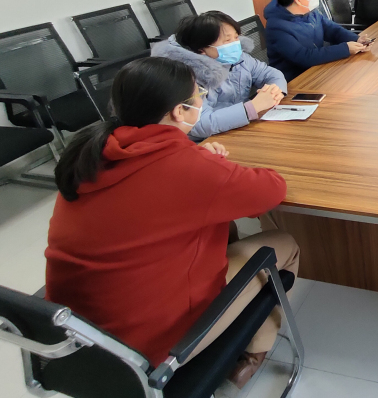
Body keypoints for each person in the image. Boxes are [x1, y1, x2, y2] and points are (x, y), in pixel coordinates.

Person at [44, 57, 300, 388]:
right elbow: (272, 189)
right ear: (180, 111)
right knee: (283, 243)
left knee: (224, 229)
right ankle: (249, 357)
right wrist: (205, 163)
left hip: (73, 334)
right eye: (200, 94)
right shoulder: (185, 166)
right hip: (148, 348)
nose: (202, 100)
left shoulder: (90, 154)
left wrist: (201, 160)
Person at [152, 11, 288, 141]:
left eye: (236, 37)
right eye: (227, 40)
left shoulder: (239, 58)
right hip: (206, 141)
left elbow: (271, 74)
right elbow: (200, 124)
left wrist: (276, 91)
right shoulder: (186, 75)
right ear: (202, 49)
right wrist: (252, 108)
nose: (236, 44)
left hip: (238, 128)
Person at [264, 0, 371, 82]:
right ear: (298, 0)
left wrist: (356, 39)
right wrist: (345, 49)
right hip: (294, 81)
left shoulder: (309, 12)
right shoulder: (276, 27)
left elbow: (332, 29)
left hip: (318, 70)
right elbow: (305, 57)